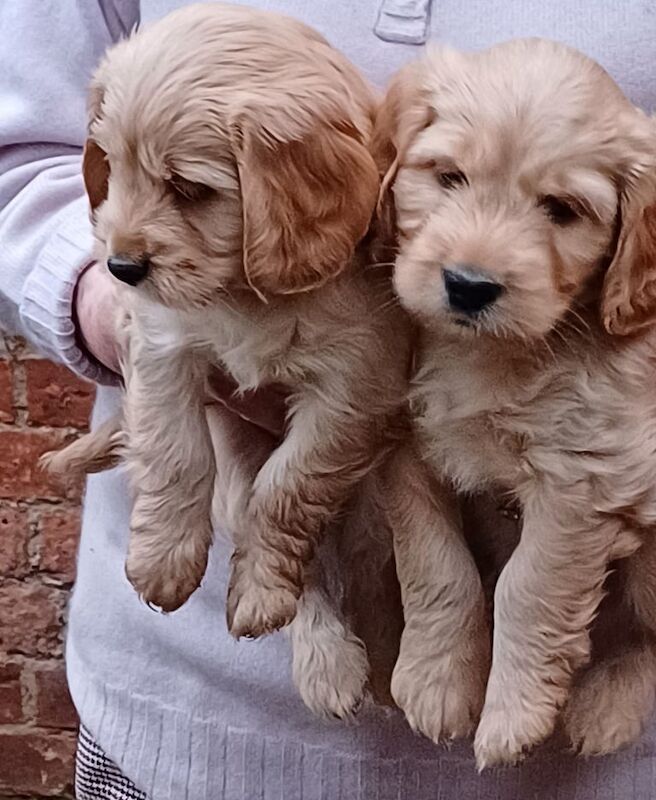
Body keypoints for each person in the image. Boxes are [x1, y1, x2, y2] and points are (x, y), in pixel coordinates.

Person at [1, 2, 654, 798]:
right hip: (191, 713)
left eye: (562, 207)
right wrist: (142, 324)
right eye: (443, 176)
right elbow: (22, 156)